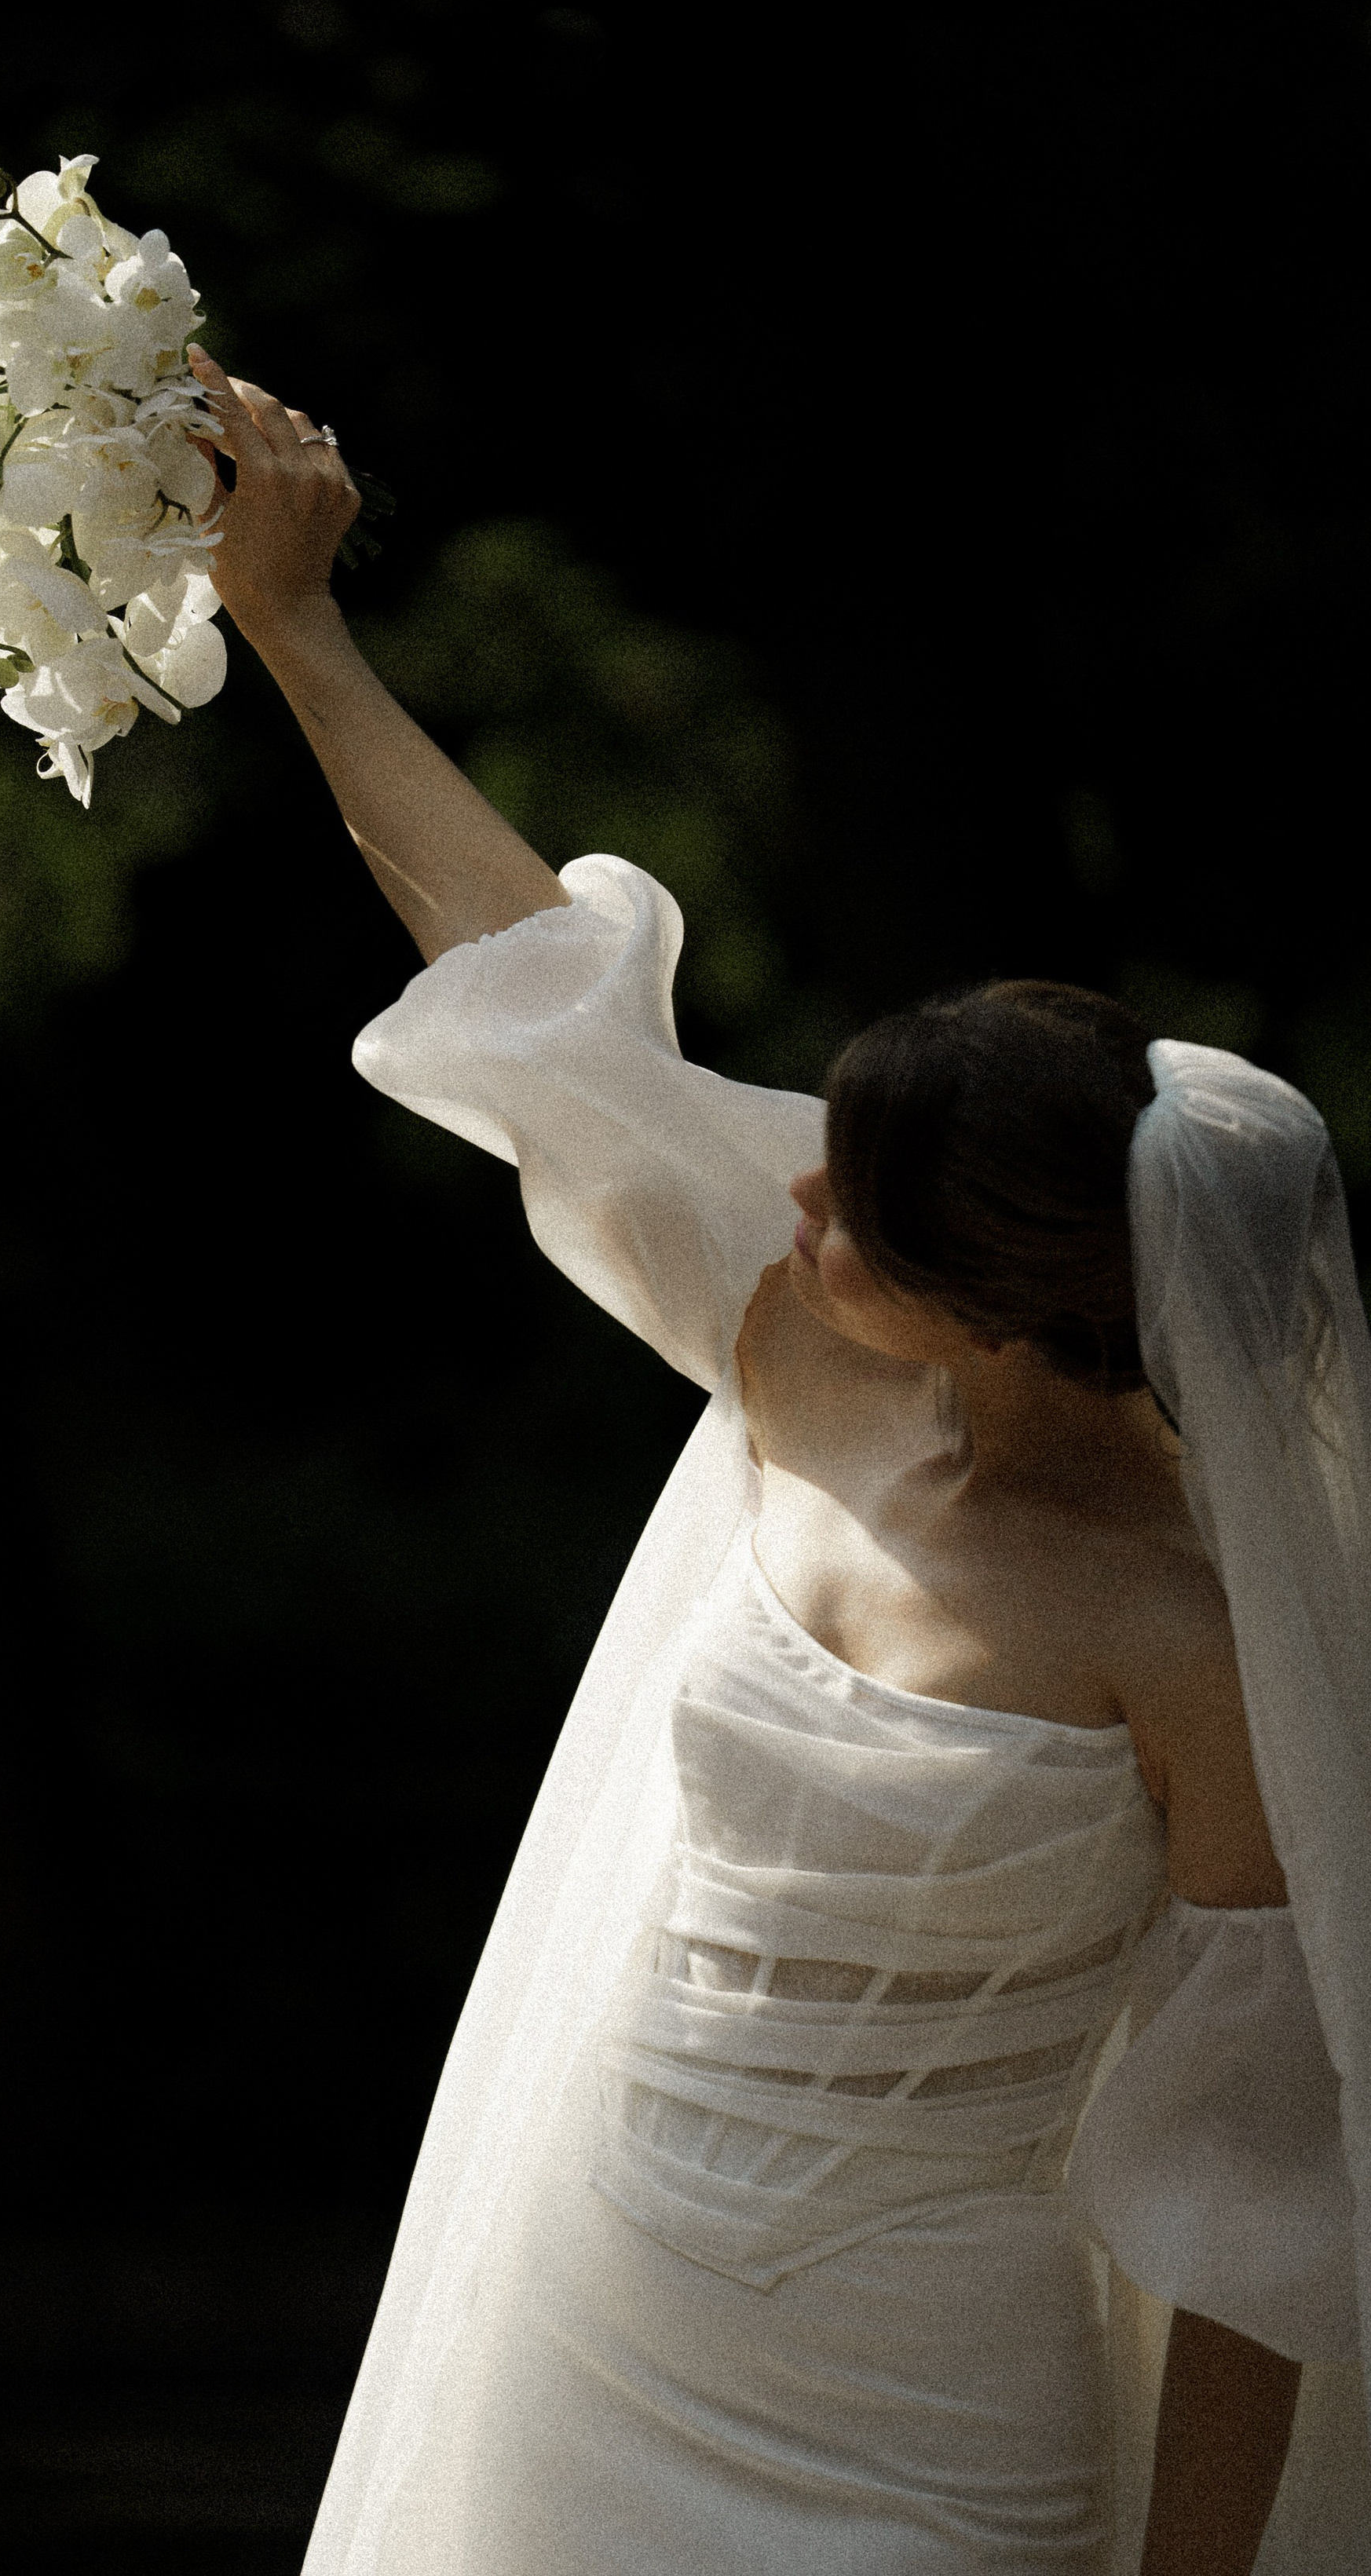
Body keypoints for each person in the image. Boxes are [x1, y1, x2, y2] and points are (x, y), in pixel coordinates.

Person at [185, 350, 1371, 2574]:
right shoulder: (813, 1361)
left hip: (918, 2400)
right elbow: (528, 980)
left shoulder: (1196, 1637)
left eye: (858, 1207)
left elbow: (1260, 2190)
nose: (791, 1202)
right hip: (595, 2293)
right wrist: (294, 624)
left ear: (1020, 1297)